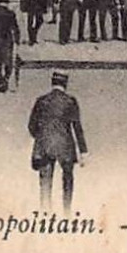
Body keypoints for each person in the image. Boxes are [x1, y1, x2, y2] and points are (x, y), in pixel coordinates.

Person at [28, 72, 88, 211]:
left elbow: (31, 126)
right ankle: (67, 211)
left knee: (45, 182)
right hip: (65, 147)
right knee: (67, 179)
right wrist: (83, 151)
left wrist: (42, 137)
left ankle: (45, 213)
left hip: (45, 146)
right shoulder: (70, 101)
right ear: (65, 85)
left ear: (52, 83)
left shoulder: (41, 101)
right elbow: (77, 127)